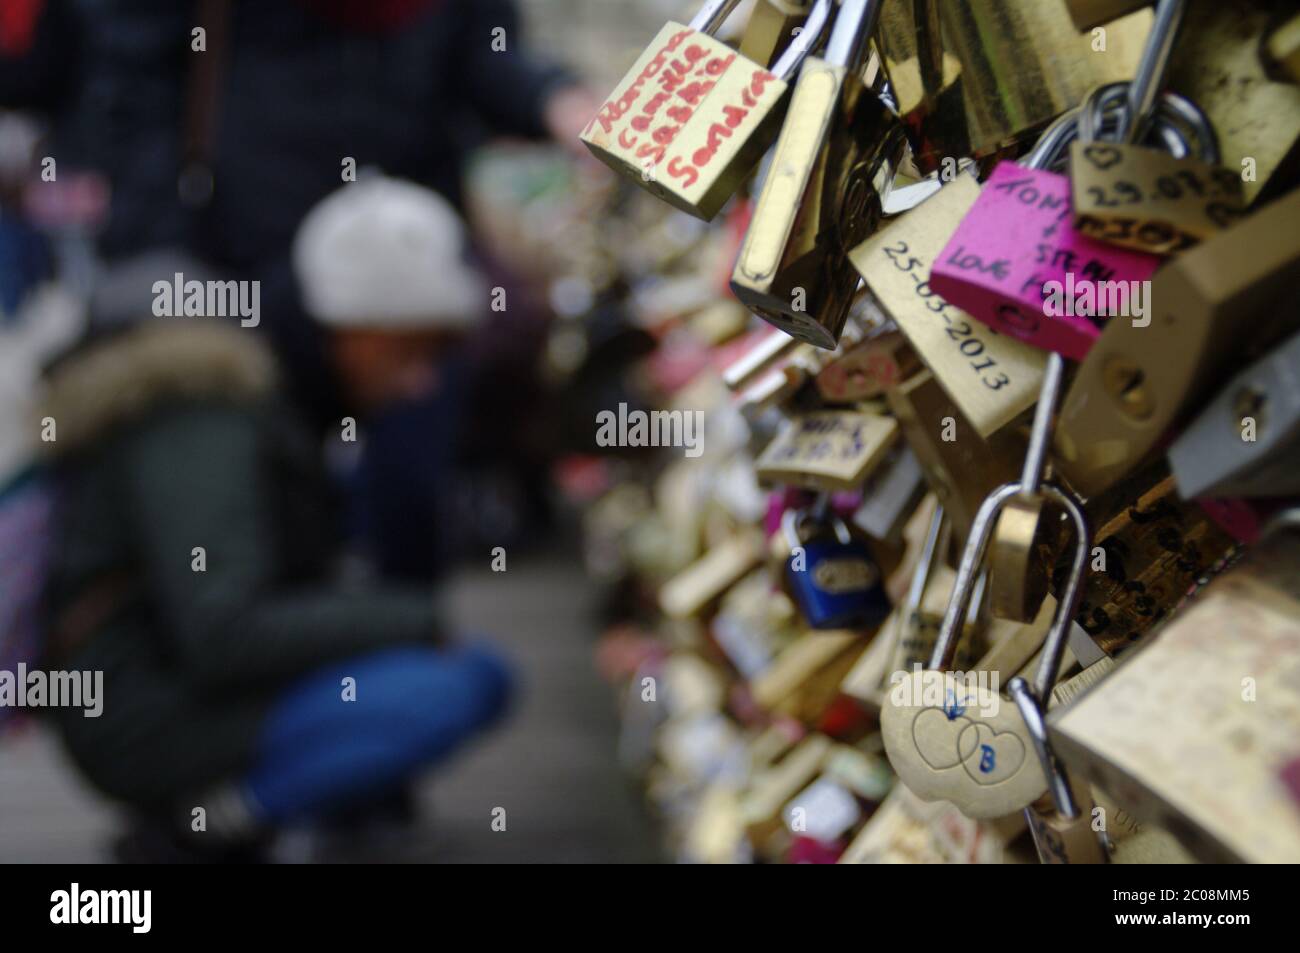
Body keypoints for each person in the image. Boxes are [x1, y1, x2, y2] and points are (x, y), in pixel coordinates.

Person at [41, 178, 511, 860]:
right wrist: (411, 619)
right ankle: (206, 827)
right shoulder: (210, 414)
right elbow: (224, 630)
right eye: (415, 349)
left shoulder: (267, 391)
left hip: (170, 683)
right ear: (356, 331)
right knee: (443, 687)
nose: (423, 382)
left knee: (477, 676)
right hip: (137, 712)